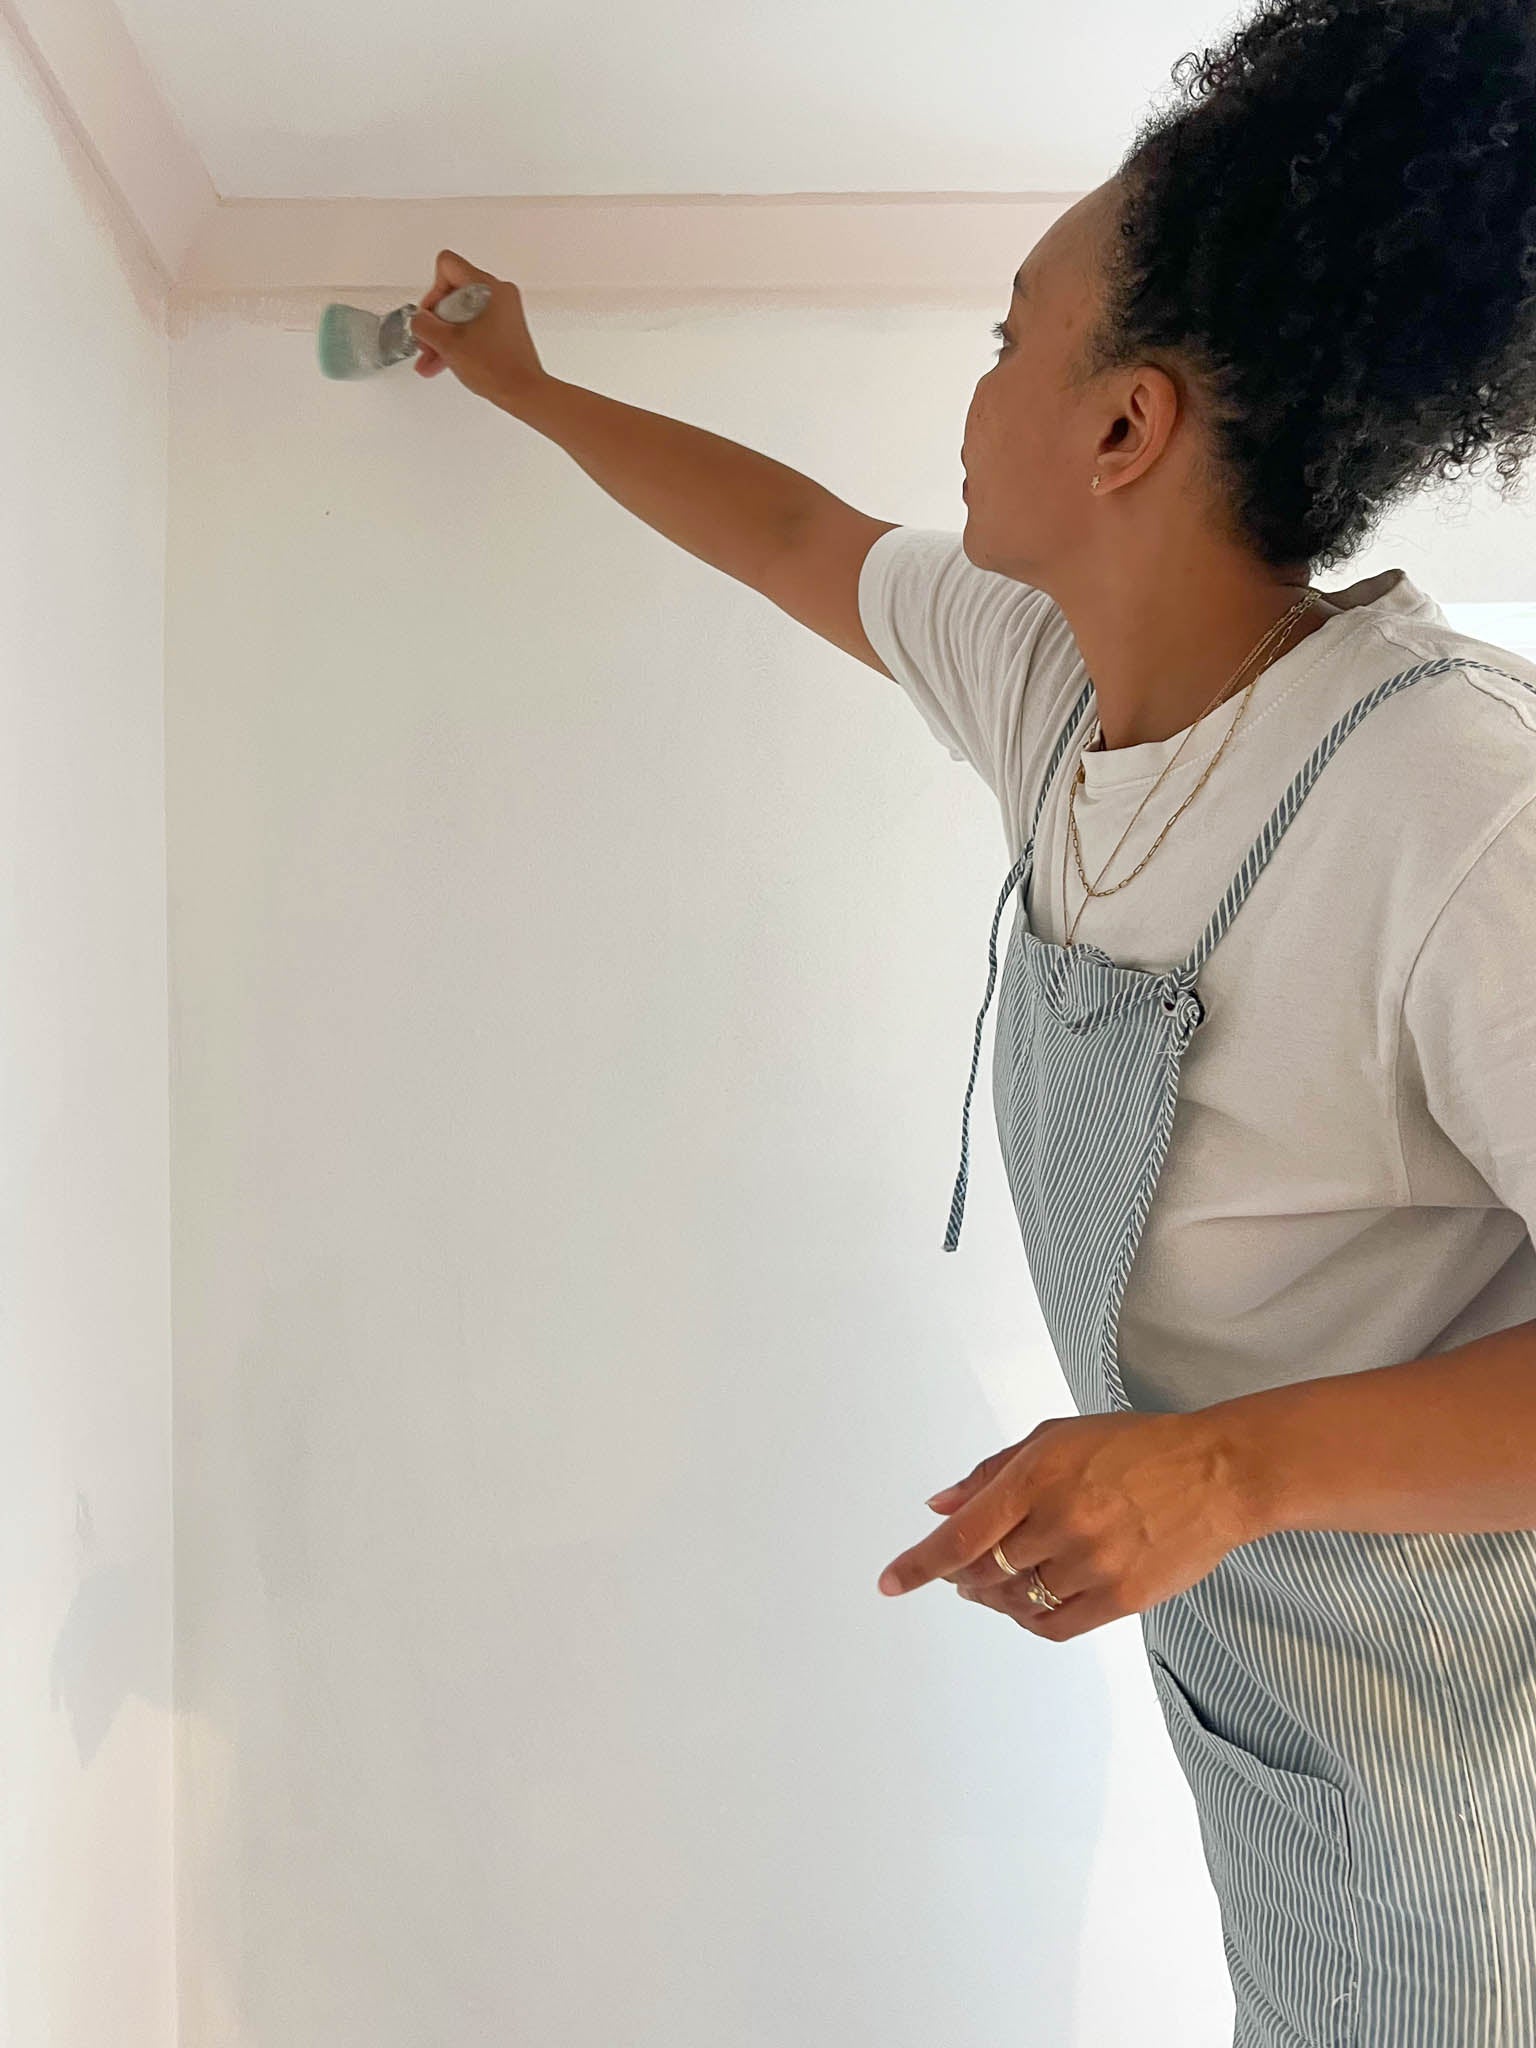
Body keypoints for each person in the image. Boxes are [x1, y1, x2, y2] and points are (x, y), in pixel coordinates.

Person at [410, 3, 1536, 2038]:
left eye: (1015, 335)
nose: (983, 369)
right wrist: (527, 388)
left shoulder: (1456, 805)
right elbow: (788, 537)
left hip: (1484, 1750)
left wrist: (1224, 1474)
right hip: (1283, 1714)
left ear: (1126, 431)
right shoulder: (1052, 681)